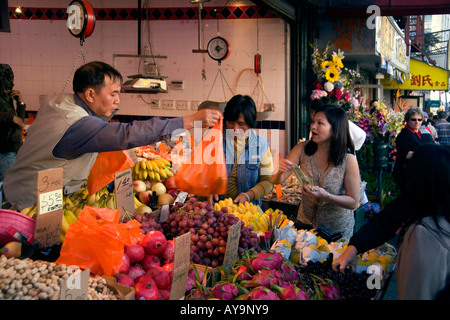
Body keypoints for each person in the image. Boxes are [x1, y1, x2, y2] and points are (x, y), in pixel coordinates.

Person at [3, 61, 221, 211]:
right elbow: (125, 134)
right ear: (90, 94)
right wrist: (189, 120)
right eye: (113, 94)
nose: (118, 100)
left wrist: (107, 108)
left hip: (36, 189)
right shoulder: (76, 124)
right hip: (34, 199)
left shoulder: (62, 103)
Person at [333, 144, 450, 300]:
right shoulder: (422, 203)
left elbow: (418, 291)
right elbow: (386, 220)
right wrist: (354, 247)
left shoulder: (425, 234)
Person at [272, 104, 360, 238]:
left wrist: (327, 196)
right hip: (304, 228)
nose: (313, 127)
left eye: (320, 123)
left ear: (335, 129)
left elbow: (353, 202)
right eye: (313, 121)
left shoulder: (348, 160)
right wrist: (279, 171)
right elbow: (277, 180)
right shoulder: (302, 149)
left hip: (336, 233)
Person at [207, 94, 274, 206]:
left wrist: (248, 195)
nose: (235, 128)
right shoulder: (214, 139)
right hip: (216, 210)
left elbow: (268, 181)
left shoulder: (261, 146)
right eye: (231, 122)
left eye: (241, 124)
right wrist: (208, 185)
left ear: (250, 122)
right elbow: (201, 171)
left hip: (247, 211)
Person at [392, 107, 434, 193]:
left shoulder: (420, 134)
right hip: (407, 174)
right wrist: (426, 153)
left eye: (419, 119)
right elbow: (406, 154)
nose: (417, 122)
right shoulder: (404, 135)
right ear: (407, 120)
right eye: (413, 119)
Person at [0, 64, 26, 182]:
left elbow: (19, 121)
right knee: (6, 185)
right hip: (4, 150)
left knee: (11, 184)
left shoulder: (7, 97)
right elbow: (14, 119)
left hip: (13, 149)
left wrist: (20, 103)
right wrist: (11, 117)